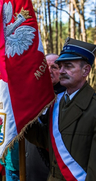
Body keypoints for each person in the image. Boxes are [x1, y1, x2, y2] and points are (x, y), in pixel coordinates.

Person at [25, 37, 96, 180]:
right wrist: (22, 117)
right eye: (60, 66)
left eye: (68, 66)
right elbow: (45, 140)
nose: (62, 71)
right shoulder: (55, 104)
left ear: (86, 70)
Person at [25, 53, 66, 181]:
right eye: (45, 66)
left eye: (54, 67)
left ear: (61, 70)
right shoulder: (31, 96)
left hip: (54, 167)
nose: (49, 71)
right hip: (30, 164)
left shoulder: (67, 98)